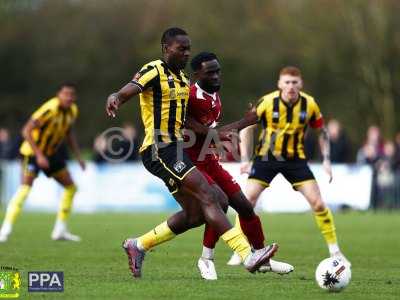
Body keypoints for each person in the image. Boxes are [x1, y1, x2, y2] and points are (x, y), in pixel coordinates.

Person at [105, 28, 278, 279]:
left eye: (188, 49)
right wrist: (116, 97)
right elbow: (132, 87)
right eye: (181, 49)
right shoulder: (154, 69)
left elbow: (191, 123)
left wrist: (220, 130)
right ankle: (246, 254)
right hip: (159, 149)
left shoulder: (184, 80)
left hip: (177, 149)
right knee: (209, 194)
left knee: (202, 211)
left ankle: (138, 245)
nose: (186, 53)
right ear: (166, 48)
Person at [227, 66, 351, 267]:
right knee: (246, 201)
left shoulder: (309, 104)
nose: (291, 86)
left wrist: (327, 160)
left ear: (300, 84)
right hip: (266, 158)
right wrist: (244, 159)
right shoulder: (267, 102)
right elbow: (247, 127)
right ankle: (240, 250)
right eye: (287, 82)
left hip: (296, 160)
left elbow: (323, 132)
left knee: (318, 203)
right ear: (279, 84)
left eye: (294, 82)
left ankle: (335, 251)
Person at [185, 52, 293, 280]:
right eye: (210, 72)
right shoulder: (190, 97)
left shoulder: (214, 96)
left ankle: (262, 256)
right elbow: (201, 134)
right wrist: (245, 121)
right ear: (197, 74)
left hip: (210, 160)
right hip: (192, 164)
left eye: (218, 71)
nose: (216, 76)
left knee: (244, 206)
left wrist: (227, 133)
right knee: (219, 204)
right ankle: (206, 259)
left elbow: (211, 134)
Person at [0, 82, 85, 242]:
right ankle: (5, 229)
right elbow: (26, 130)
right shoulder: (50, 109)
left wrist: (79, 157)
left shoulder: (72, 111)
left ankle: (60, 230)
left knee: (71, 187)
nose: (68, 97)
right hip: (32, 153)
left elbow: (68, 134)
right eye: (65, 94)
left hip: (51, 155)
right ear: (58, 94)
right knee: (25, 188)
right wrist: (39, 155)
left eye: (71, 94)